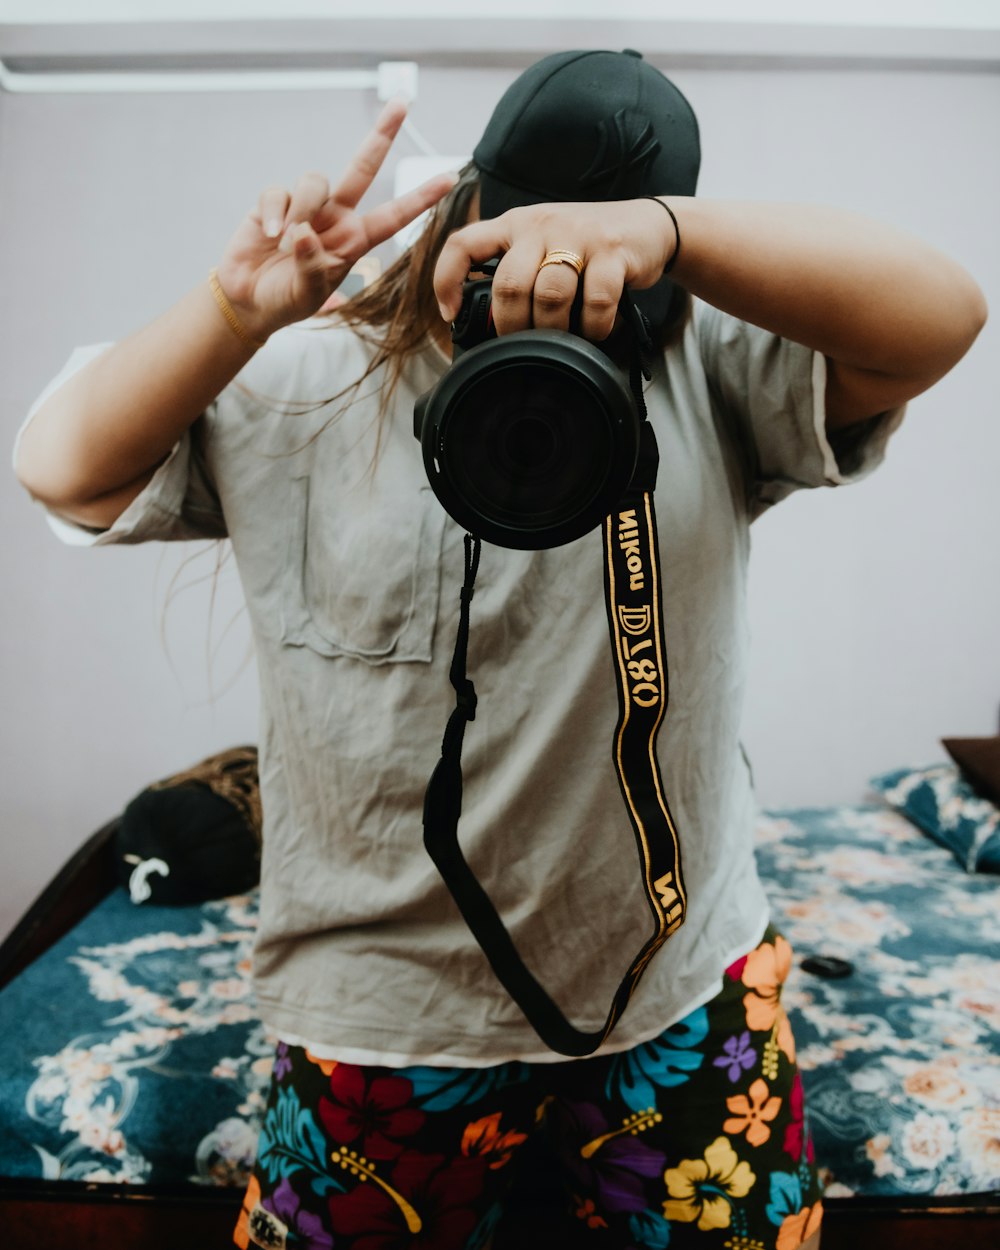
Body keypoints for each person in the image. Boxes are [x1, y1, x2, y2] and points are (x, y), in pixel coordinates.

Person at [14, 48, 985, 1250]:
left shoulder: (705, 374)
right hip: (381, 1009)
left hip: (679, 983)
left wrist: (668, 233)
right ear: (460, 209)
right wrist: (233, 311)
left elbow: (945, 314)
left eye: (588, 249)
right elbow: (57, 467)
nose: (545, 277)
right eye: (520, 234)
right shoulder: (308, 376)